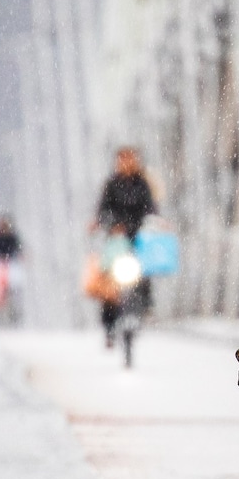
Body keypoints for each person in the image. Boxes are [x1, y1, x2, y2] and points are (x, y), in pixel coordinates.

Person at [91, 146, 156, 346]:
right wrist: (109, 225)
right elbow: (103, 210)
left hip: (137, 239)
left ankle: (145, 308)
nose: (127, 163)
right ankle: (109, 327)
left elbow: (151, 208)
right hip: (116, 241)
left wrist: (153, 222)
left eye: (130, 159)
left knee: (144, 273)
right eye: (123, 159)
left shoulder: (143, 184)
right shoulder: (111, 184)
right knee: (109, 284)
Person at [0, 214, 24, 323]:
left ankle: (15, 306)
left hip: (10, 264)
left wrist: (21, 256)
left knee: (15, 282)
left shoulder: (12, 238)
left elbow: (19, 250)